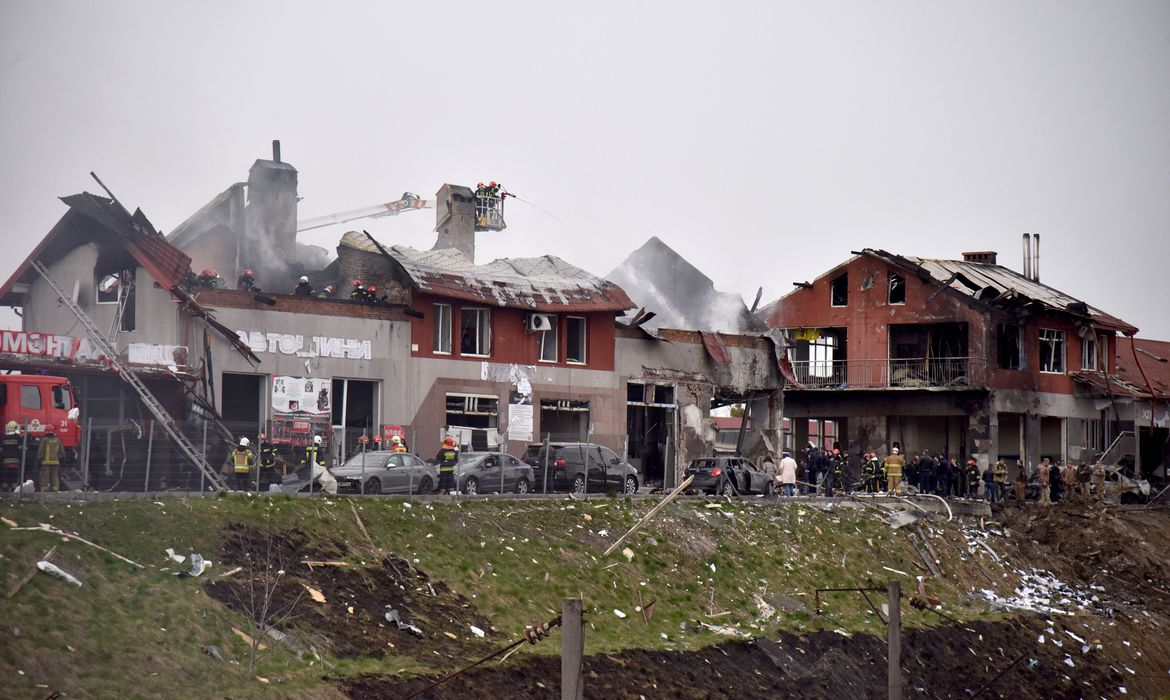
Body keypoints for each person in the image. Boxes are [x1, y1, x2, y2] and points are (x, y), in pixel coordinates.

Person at [35, 427, 64, 492]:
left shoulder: (44, 440)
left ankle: (44, 489)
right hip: (56, 462)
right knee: (54, 476)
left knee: (45, 476)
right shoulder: (58, 440)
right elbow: (62, 452)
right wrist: (61, 459)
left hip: (46, 462)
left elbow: (41, 451)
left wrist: (38, 460)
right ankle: (55, 489)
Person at [1, 421, 21, 491]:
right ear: (15, 428)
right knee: (14, 476)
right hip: (15, 462)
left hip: (5, 461)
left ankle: (4, 489)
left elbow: (1, 449)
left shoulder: (3, 437)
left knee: (5, 476)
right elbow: (20, 449)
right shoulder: (17, 437)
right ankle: (13, 489)